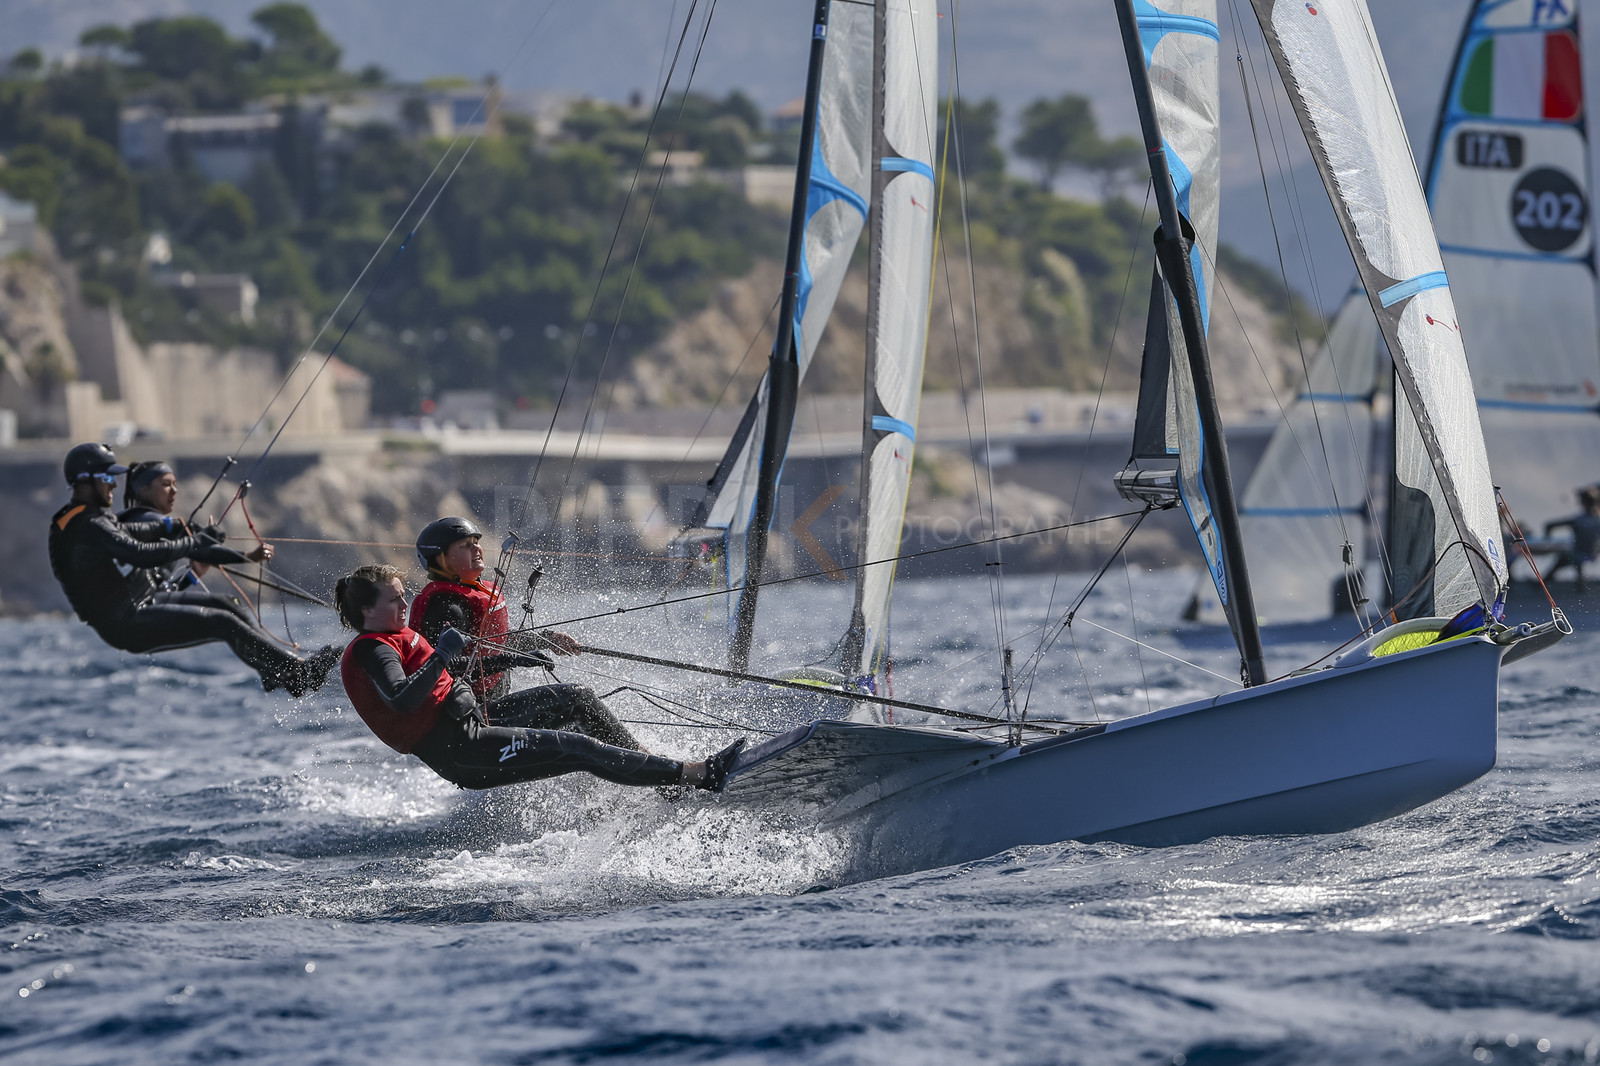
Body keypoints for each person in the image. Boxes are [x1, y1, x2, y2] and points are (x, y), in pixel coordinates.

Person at [334, 563, 745, 792]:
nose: (405, 602)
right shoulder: (373, 648)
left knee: (574, 698)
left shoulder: (393, 634)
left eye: (404, 594)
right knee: (579, 749)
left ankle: (660, 773)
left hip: (473, 721)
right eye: (394, 599)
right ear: (367, 611)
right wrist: (442, 652)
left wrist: (516, 658)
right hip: (461, 749)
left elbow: (450, 671)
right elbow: (402, 699)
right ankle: (696, 776)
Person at [47, 442, 340, 697]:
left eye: (114, 477)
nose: (113, 484)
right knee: (222, 623)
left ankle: (275, 672)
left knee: (224, 605)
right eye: (106, 477)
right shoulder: (88, 525)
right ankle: (298, 670)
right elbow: (138, 553)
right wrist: (193, 542)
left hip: (140, 604)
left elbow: (129, 531)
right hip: (126, 623)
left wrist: (172, 526)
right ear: (83, 482)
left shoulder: (84, 517)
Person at [408, 516, 578, 703]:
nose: (476, 548)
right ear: (440, 560)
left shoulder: (473, 592)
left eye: (476, 542)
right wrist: (513, 660)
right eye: (464, 545)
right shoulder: (446, 606)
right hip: (466, 709)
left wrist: (549, 639)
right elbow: (447, 666)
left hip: (492, 701)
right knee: (575, 697)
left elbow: (497, 641)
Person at [118, 460, 266, 620]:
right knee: (229, 605)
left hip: (139, 611)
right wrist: (250, 556)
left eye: (175, 484)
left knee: (227, 607)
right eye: (166, 484)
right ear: (144, 490)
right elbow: (202, 551)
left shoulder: (136, 519)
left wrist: (192, 575)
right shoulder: (151, 521)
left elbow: (159, 592)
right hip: (137, 616)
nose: (174, 490)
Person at [1542, 485, 1600, 589]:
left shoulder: (1579, 520)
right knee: (1569, 557)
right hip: (1592, 554)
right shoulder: (1596, 519)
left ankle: (1544, 582)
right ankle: (1578, 581)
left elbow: (1550, 525)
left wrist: (1547, 537)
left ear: (1584, 503)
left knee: (1566, 556)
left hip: (1581, 554)